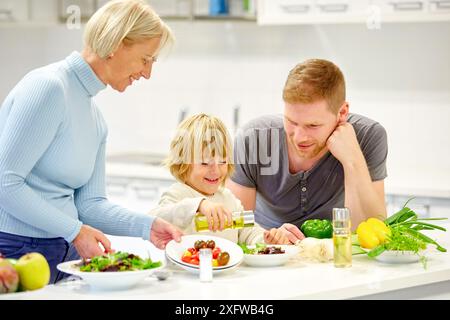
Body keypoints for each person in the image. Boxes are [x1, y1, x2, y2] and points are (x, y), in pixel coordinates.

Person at [0, 0, 184, 283]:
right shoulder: (48, 88)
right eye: (145, 59)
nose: (147, 73)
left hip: (66, 253)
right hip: (15, 251)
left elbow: (90, 205)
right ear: (117, 44)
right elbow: (5, 183)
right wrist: (75, 230)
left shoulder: (96, 118)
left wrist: (147, 227)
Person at [227, 59, 388, 241]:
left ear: (342, 113)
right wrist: (268, 236)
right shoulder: (253, 138)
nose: (299, 137)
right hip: (266, 251)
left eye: (313, 125)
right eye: (292, 121)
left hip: (332, 255)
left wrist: (352, 160)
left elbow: (371, 233)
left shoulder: (368, 137)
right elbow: (234, 226)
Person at [151, 114, 302, 245]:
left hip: (226, 276)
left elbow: (248, 232)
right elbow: (154, 218)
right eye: (205, 163)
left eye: (223, 162)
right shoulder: (179, 194)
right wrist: (199, 205)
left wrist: (266, 239)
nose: (215, 170)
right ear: (182, 163)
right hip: (185, 275)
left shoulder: (229, 199)